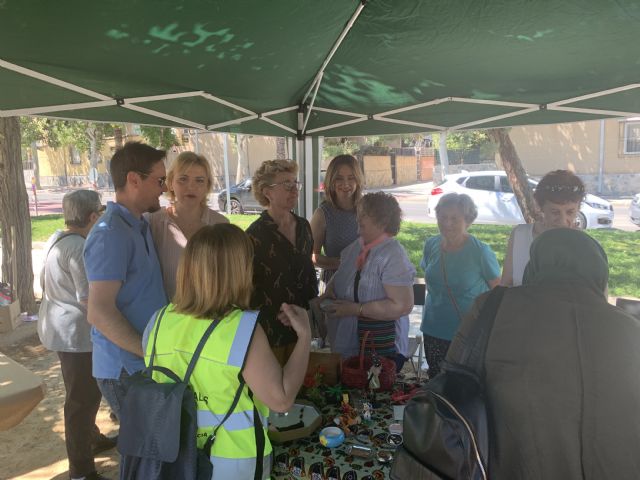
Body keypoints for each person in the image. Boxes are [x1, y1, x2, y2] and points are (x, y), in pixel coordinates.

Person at [447, 228, 640, 479]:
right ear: (599, 272)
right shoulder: (628, 329)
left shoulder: (493, 307)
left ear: (534, 265)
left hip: (506, 464)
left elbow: (453, 380)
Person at [143, 224, 311, 479]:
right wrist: (305, 336)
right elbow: (282, 398)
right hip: (233, 460)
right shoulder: (241, 329)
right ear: (238, 270)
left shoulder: (157, 321)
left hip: (173, 453)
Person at [84, 141, 168, 418]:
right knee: (143, 457)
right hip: (125, 369)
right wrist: (148, 352)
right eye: (160, 180)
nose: (164, 188)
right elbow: (99, 311)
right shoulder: (110, 233)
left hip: (139, 364)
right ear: (134, 179)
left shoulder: (138, 224)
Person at [38, 190, 114, 480]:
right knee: (82, 401)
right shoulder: (80, 249)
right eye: (101, 212)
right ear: (93, 216)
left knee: (81, 393)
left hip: (60, 330)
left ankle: (91, 438)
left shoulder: (55, 239)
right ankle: (81, 470)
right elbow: (89, 300)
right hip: (76, 336)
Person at [322, 192, 415, 372]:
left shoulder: (393, 255)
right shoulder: (357, 246)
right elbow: (343, 272)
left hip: (380, 349)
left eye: (363, 214)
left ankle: (368, 402)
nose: (358, 218)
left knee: (371, 396)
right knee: (350, 394)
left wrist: (356, 309)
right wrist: (331, 290)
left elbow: (402, 306)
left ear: (381, 221)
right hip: (349, 345)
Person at [420, 192, 500, 378]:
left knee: (465, 387)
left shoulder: (480, 251)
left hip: (468, 333)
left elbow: (498, 292)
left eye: (454, 219)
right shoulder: (430, 245)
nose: (447, 223)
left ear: (468, 220)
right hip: (433, 329)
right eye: (443, 217)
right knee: (437, 381)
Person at [246, 159, 318, 365]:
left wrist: (308, 312)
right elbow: (247, 288)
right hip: (269, 333)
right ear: (267, 191)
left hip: (302, 329)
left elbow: (308, 275)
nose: (294, 189)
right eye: (287, 184)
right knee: (273, 394)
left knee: (305, 390)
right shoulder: (254, 235)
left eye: (296, 183)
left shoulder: (304, 226)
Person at [147, 151, 228, 299]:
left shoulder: (221, 225)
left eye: (199, 180)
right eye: (183, 179)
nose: (191, 187)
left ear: (207, 186)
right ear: (170, 183)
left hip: (209, 317)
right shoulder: (152, 223)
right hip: (166, 317)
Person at [501, 169, 585, 286]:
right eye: (555, 212)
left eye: (570, 212)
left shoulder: (586, 245)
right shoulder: (520, 236)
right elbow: (505, 286)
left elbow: (599, 298)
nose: (563, 221)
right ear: (540, 207)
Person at [310, 154, 363, 290]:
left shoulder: (368, 209)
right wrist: (343, 263)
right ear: (331, 181)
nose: (346, 184)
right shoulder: (322, 214)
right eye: (339, 178)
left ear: (358, 180)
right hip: (333, 285)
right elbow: (311, 256)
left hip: (366, 282)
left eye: (351, 178)